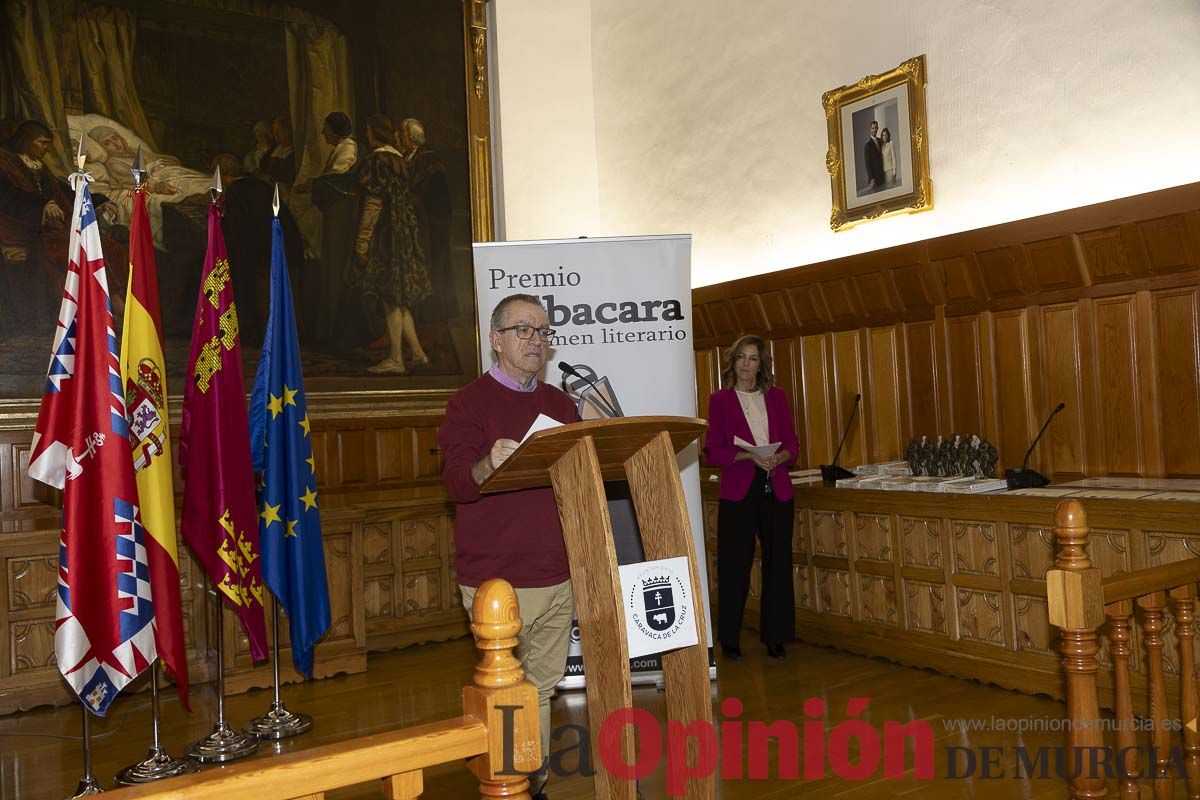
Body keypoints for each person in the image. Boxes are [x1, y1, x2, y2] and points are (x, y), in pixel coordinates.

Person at [438, 293, 579, 800]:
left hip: (556, 571)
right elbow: (457, 483)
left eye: (542, 331)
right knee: (504, 693)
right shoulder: (469, 403)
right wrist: (486, 464)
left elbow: (578, 479)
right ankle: (506, 785)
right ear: (496, 340)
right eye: (524, 330)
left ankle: (530, 783)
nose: (536, 340)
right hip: (497, 580)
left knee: (541, 689)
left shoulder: (562, 405)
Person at [704, 334, 798, 661]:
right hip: (739, 489)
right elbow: (713, 450)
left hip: (776, 486)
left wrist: (779, 457)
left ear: (762, 365)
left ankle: (776, 637)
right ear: (733, 362)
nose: (746, 364)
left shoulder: (777, 397)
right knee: (734, 565)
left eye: (753, 358)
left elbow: (793, 445)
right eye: (742, 357)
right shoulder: (720, 401)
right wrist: (748, 456)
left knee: (778, 562)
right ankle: (729, 638)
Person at [350, 113, 431, 374]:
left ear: (374, 133)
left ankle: (396, 359)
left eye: (367, 131)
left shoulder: (376, 161)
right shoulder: (398, 158)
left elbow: (374, 205)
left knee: (390, 297)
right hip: (404, 233)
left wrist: (362, 241)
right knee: (399, 297)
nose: (365, 136)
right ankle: (418, 354)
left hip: (386, 235)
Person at [400, 117, 453, 321]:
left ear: (411, 137)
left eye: (403, 133)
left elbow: (435, 196)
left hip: (429, 226)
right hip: (416, 223)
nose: (400, 137)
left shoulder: (429, 160)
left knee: (431, 268)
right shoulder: (409, 157)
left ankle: (430, 319)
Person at [862, 119, 884, 193]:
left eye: (876, 128)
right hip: (874, 178)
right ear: (870, 129)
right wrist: (871, 178)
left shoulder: (881, 141)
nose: (874, 130)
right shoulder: (867, 145)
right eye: (873, 128)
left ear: (878, 128)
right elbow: (867, 164)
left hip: (883, 175)